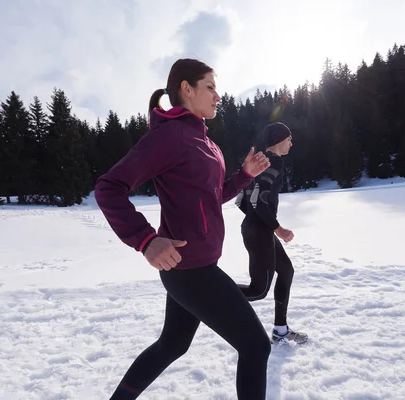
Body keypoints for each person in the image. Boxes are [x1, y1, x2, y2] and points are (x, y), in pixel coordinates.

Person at [95, 58, 273, 400]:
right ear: (186, 90)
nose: (218, 95)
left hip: (194, 266)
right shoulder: (170, 136)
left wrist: (244, 176)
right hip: (189, 270)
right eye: (210, 87)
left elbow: (213, 196)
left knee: (172, 344)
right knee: (256, 347)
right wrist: (146, 240)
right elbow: (108, 187)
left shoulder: (208, 144)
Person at [235, 122, 308, 344]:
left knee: (286, 271)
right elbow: (258, 200)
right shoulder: (274, 162)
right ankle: (206, 295)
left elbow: (241, 200)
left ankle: (281, 330)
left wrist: (257, 221)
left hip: (257, 228)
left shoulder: (259, 162)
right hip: (260, 231)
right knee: (258, 290)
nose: (291, 143)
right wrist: (277, 228)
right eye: (289, 139)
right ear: (278, 140)